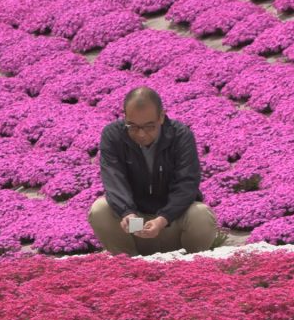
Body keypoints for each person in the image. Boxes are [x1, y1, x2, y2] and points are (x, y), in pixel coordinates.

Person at [88, 86, 218, 255]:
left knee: (201, 215)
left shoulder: (181, 136)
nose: (141, 134)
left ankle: (190, 266)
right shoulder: (113, 135)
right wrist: (128, 213)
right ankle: (128, 266)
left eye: (149, 127)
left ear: (161, 117)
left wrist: (162, 219)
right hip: (135, 224)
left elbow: (187, 184)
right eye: (133, 126)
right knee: (100, 210)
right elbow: (114, 178)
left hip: (171, 223)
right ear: (125, 117)